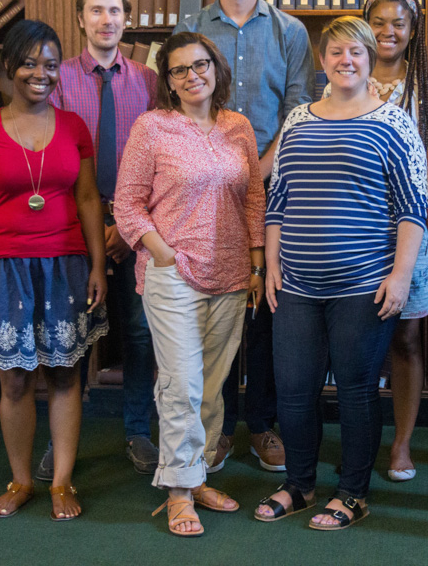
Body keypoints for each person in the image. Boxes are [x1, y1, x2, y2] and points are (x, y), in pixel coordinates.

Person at [255, 16, 427, 531]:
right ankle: (300, 485)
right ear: (322, 60)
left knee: (354, 389)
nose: (345, 60)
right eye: (334, 52)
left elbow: (411, 208)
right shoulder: (299, 121)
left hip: (363, 285)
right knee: (293, 387)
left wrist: (400, 277)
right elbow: (277, 200)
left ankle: (353, 492)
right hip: (297, 284)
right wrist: (271, 265)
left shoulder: (393, 124)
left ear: (371, 59)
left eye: (355, 52)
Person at [174, 0, 313, 473]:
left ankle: (262, 424)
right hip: (203, 197)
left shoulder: (290, 31)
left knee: (267, 312)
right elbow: (177, 105)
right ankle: (220, 425)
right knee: (216, 309)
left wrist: (256, 170)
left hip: (275, 190)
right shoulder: (191, 30)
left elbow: (299, 112)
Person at [114, 31, 266, 537]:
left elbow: (252, 199)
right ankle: (179, 492)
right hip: (173, 273)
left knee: (213, 383)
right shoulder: (152, 128)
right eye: (179, 70)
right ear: (168, 81)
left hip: (230, 274)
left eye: (201, 65)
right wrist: (163, 254)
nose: (192, 75)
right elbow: (127, 205)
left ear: (217, 68)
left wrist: (256, 264)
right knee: (180, 381)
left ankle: (197, 475)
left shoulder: (237, 126)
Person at [0, 19, 108, 521]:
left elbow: (88, 198)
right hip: (3, 269)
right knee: (16, 381)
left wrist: (98, 267)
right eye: (28, 63)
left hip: (66, 265)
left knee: (66, 374)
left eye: (49, 64)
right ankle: (21, 479)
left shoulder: (74, 128)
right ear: (8, 67)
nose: (40, 74)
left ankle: (61, 481)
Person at [38, 0, 160, 478]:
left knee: (139, 333)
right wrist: (95, 228)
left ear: (126, 20)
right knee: (71, 336)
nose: (106, 20)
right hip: (73, 225)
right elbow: (48, 156)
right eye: (96, 11)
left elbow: (162, 159)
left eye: (115, 11)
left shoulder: (151, 82)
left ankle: (137, 431)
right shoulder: (58, 80)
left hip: (137, 228)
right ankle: (63, 440)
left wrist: (125, 227)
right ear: (81, 19)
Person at [355, 0, 428, 481]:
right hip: (356, 234)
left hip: (411, 235)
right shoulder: (345, 84)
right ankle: (360, 437)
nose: (389, 32)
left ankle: (402, 443)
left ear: (414, 33)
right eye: (379, 22)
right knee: (358, 339)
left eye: (400, 24)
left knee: (408, 338)